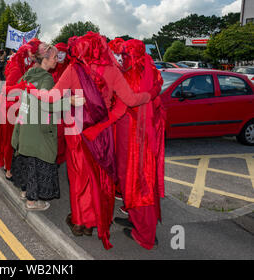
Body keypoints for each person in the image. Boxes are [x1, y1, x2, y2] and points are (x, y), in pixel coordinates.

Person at [22, 33, 153, 249]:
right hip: (102, 132)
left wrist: (32, 90)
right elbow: (130, 100)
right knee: (99, 179)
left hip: (77, 130)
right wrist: (150, 95)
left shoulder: (74, 70)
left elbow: (52, 97)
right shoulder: (112, 70)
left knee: (79, 177)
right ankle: (95, 221)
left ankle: (80, 222)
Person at [83, 39, 165, 250]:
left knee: (138, 184)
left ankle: (145, 234)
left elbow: (121, 108)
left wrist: (96, 128)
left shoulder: (133, 76)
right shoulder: (147, 70)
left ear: (130, 56)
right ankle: (136, 221)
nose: (117, 59)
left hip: (135, 140)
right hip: (133, 136)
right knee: (134, 182)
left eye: (121, 55)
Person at [10, 43, 68, 211]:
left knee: (26, 160)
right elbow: (47, 104)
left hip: (25, 123)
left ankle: (24, 191)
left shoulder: (30, 73)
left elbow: (19, 91)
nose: (57, 60)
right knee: (36, 162)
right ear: (45, 60)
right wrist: (67, 102)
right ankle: (32, 202)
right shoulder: (47, 78)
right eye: (55, 57)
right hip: (38, 127)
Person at [0, 39, 41, 181]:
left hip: (18, 106)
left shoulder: (27, 66)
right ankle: (9, 169)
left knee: (15, 140)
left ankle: (9, 165)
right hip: (11, 108)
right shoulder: (16, 68)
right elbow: (5, 90)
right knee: (11, 139)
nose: (34, 58)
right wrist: (23, 87)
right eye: (33, 55)